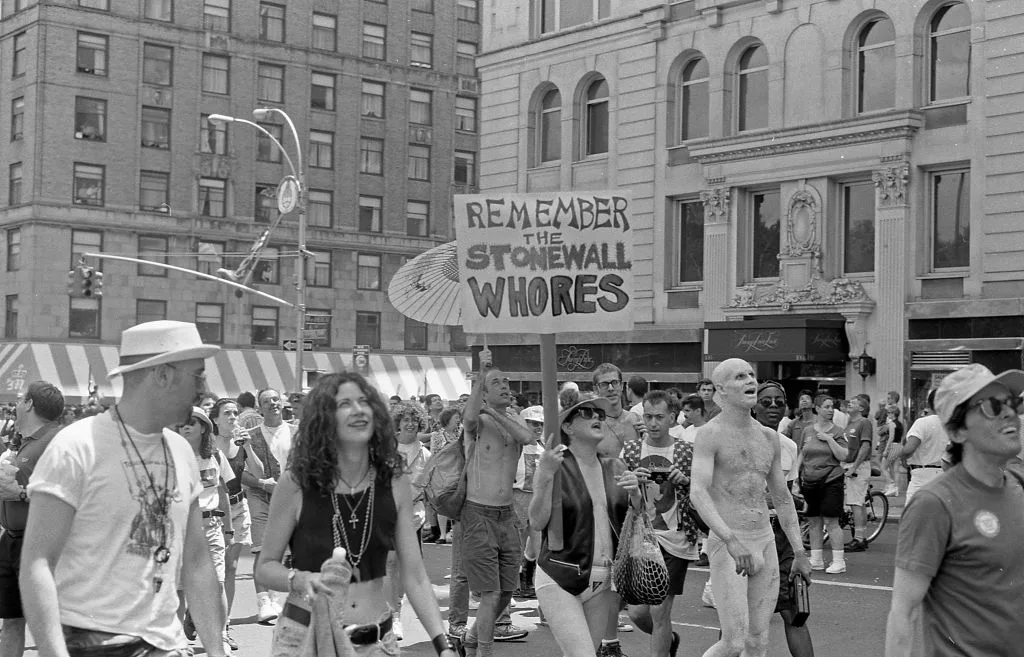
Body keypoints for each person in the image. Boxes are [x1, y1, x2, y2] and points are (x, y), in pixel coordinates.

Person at [21, 320, 228, 657]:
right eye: (197, 376)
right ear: (162, 375)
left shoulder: (181, 451)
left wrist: (217, 652)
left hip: (167, 644)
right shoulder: (75, 447)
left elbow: (196, 561)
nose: (204, 389)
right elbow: (36, 563)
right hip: (92, 644)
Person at [254, 372, 457, 657]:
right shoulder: (297, 482)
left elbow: (415, 575)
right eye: (345, 403)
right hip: (306, 638)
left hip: (376, 641)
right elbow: (265, 567)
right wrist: (298, 579)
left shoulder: (394, 480)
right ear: (324, 418)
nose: (359, 410)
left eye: (364, 402)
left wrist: (443, 645)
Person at [885, 364, 1024, 657]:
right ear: (957, 432)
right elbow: (903, 614)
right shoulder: (934, 503)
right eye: (992, 406)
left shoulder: (1018, 486)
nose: (1010, 413)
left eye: (1012, 403)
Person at [690, 358, 810, 657]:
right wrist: (730, 539)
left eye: (751, 375)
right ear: (721, 389)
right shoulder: (710, 434)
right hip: (729, 544)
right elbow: (698, 492)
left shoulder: (769, 437)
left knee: (758, 641)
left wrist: (799, 552)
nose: (750, 381)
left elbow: (782, 498)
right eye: (739, 376)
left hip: (765, 541)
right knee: (733, 642)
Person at [529, 396, 640, 657]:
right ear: (567, 427)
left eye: (600, 414)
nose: (597, 417)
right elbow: (537, 521)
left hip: (604, 578)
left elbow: (635, 522)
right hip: (560, 574)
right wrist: (545, 475)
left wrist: (636, 496)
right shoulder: (555, 465)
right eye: (587, 413)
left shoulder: (615, 466)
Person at [459, 363, 535, 656]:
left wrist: (494, 412)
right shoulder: (477, 421)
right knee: (490, 593)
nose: (504, 385)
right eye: (496, 383)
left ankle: (470, 637)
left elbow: (527, 438)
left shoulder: (514, 419)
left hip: (507, 515)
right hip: (478, 513)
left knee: (506, 590)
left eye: (506, 381)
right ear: (483, 392)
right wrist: (480, 383)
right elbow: (468, 419)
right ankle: (483, 652)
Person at [622, 391, 699, 657]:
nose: (653, 423)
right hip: (640, 536)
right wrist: (631, 480)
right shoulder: (631, 450)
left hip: (675, 538)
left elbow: (705, 492)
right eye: (648, 417)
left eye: (659, 417)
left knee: (659, 610)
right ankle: (669, 641)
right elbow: (618, 495)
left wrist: (686, 481)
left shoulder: (686, 451)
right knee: (636, 612)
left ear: (672, 418)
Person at [0, 381, 64, 657]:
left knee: (48, 627)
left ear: (29, 404)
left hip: (40, 542)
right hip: (12, 540)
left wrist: (20, 493)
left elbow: (67, 495)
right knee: (11, 621)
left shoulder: (56, 441)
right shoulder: (25, 441)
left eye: (19, 399)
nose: (15, 404)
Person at [752, 382, 815, 657]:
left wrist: (800, 551)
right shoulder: (736, 441)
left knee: (795, 613)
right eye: (766, 402)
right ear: (753, 406)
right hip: (749, 535)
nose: (773, 407)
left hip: (782, 538)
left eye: (779, 402)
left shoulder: (788, 445)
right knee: (742, 618)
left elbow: (786, 500)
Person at [176, 407, 234, 654]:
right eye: (182, 423)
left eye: (192, 422)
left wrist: (229, 530)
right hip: (181, 531)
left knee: (217, 584)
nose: (186, 427)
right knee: (179, 588)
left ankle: (220, 637)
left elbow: (223, 493)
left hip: (211, 527)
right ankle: (178, 641)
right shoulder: (169, 455)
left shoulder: (216, 456)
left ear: (203, 427)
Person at [209, 398, 264, 651]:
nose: (233, 417)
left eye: (235, 413)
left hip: (238, 507)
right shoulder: (207, 444)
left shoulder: (241, 442)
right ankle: (198, 614)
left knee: (230, 568)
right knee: (212, 571)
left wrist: (249, 447)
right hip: (213, 510)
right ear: (215, 419)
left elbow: (259, 472)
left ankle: (224, 626)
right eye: (227, 414)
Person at [243, 388, 298, 622]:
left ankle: (281, 597)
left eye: (276, 399)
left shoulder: (298, 432)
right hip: (260, 496)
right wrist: (261, 483)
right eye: (267, 401)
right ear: (259, 407)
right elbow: (237, 472)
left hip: (292, 498)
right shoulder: (249, 435)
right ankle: (264, 600)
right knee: (262, 548)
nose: (273, 403)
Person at [387, 402, 432, 641]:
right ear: (398, 422)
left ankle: (395, 613)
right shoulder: (385, 448)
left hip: (412, 517)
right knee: (389, 563)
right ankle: (389, 613)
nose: (410, 424)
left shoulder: (425, 453)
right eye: (406, 419)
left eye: (414, 420)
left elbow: (426, 485)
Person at [793, 394, 849, 574]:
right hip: (809, 480)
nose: (831, 410)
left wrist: (829, 439)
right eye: (826, 407)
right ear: (817, 409)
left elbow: (843, 455)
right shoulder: (807, 431)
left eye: (832, 407)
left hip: (831, 480)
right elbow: (802, 453)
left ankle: (839, 561)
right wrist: (795, 475)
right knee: (813, 520)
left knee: (831, 520)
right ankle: (816, 559)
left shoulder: (838, 431)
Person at [888, 389, 948, 503]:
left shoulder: (922, 423)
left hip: (922, 475)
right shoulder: (952, 425)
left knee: (914, 511)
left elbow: (909, 448)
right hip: (944, 475)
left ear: (929, 404)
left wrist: (903, 457)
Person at [513, 405, 545, 599]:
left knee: (539, 548)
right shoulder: (516, 447)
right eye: (533, 423)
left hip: (538, 499)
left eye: (540, 423)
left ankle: (536, 585)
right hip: (517, 498)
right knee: (515, 546)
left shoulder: (543, 448)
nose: (538, 427)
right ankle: (513, 586)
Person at [841, 397, 874, 553]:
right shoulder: (849, 423)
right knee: (852, 502)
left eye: (854, 403)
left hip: (858, 467)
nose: (850, 404)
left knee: (856, 502)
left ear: (861, 408)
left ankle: (859, 539)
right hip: (846, 465)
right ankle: (860, 536)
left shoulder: (864, 422)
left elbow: (865, 446)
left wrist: (854, 467)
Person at [426, 408, 462, 545]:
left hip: (458, 471)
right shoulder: (437, 435)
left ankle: (455, 532)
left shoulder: (462, 433)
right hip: (443, 472)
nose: (458, 420)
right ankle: (442, 534)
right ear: (448, 419)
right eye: (456, 417)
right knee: (443, 500)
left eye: (459, 418)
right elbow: (434, 454)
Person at [877, 405, 905, 497]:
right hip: (899, 446)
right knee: (895, 469)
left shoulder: (892, 424)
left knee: (883, 467)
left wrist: (886, 449)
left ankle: (891, 484)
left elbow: (891, 437)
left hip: (892, 446)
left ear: (893, 414)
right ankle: (896, 488)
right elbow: (902, 436)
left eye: (889, 412)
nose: (888, 414)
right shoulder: (900, 424)